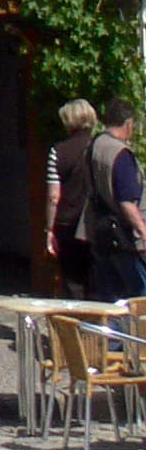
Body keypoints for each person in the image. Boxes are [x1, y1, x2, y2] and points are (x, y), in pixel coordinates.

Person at [81, 98, 146, 304]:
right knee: (139, 297)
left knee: (110, 299)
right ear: (128, 124)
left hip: (101, 232)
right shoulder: (121, 153)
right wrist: (143, 232)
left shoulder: (95, 145)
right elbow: (126, 201)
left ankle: (112, 337)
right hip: (123, 237)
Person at [48, 98, 100, 293]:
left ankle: (73, 322)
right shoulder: (99, 147)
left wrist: (49, 229)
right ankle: (94, 321)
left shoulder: (58, 151)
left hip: (67, 222)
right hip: (94, 221)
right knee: (95, 280)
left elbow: (54, 196)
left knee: (72, 281)